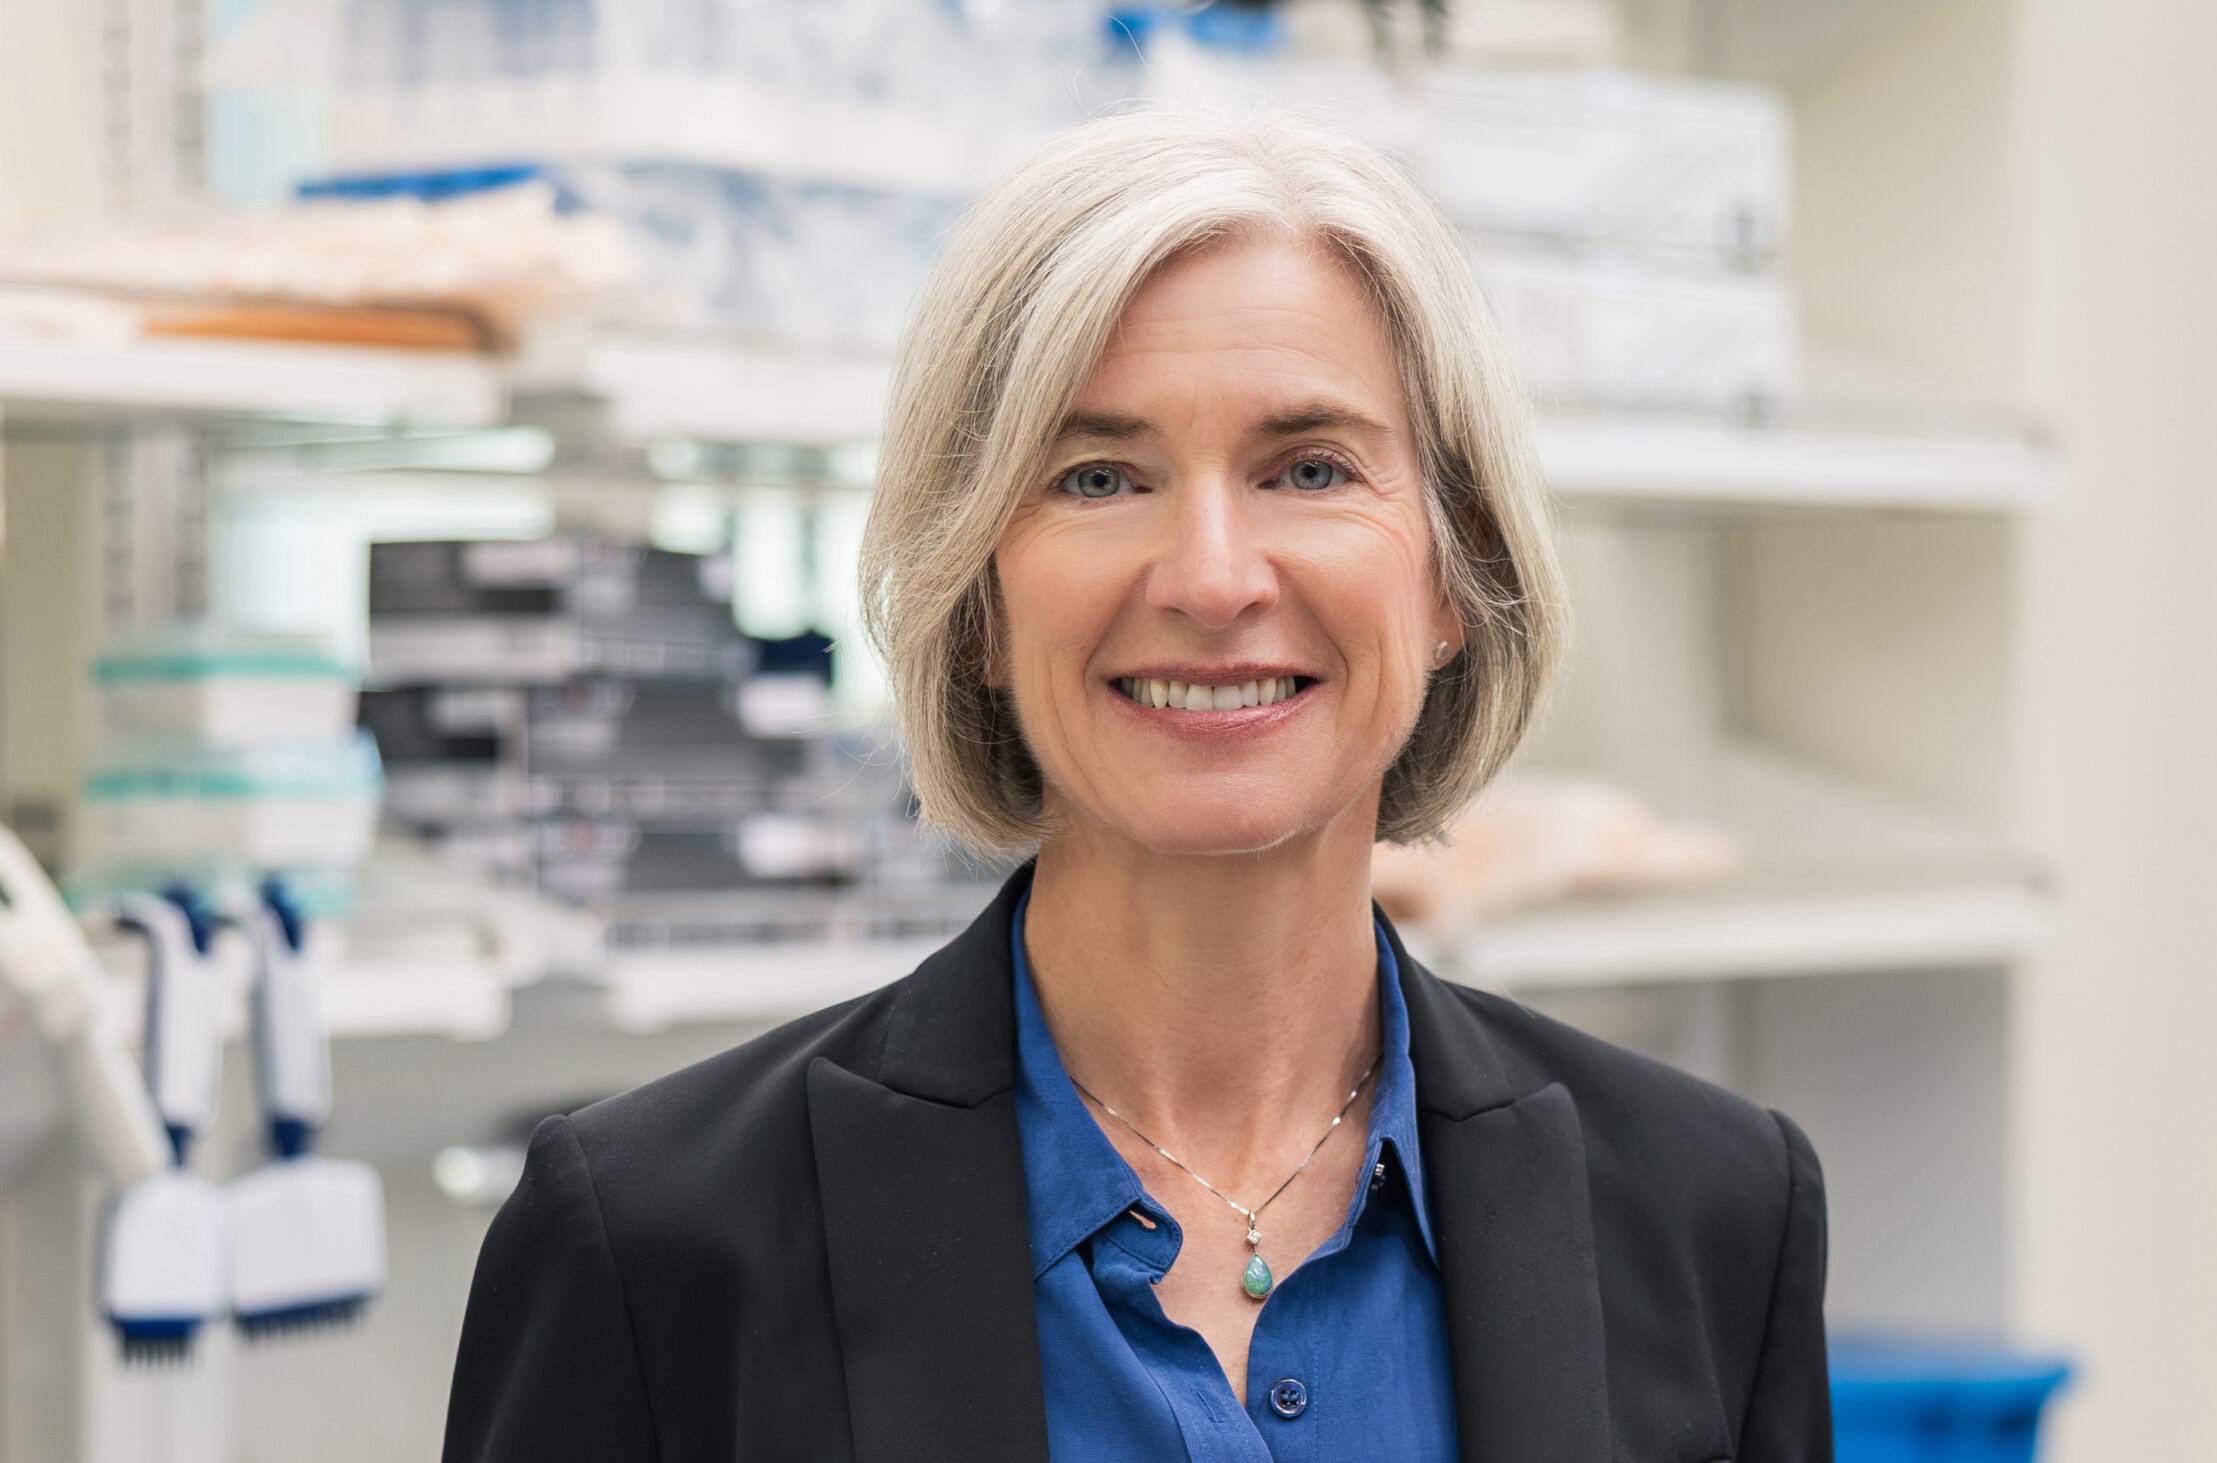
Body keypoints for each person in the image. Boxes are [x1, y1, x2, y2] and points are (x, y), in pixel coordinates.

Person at [443, 108, 1831, 1463]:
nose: (1215, 579)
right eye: (1101, 476)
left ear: (1454, 569)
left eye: (1310, 468)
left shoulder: (1713, 1211)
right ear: (976, 593)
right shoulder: (658, 1244)